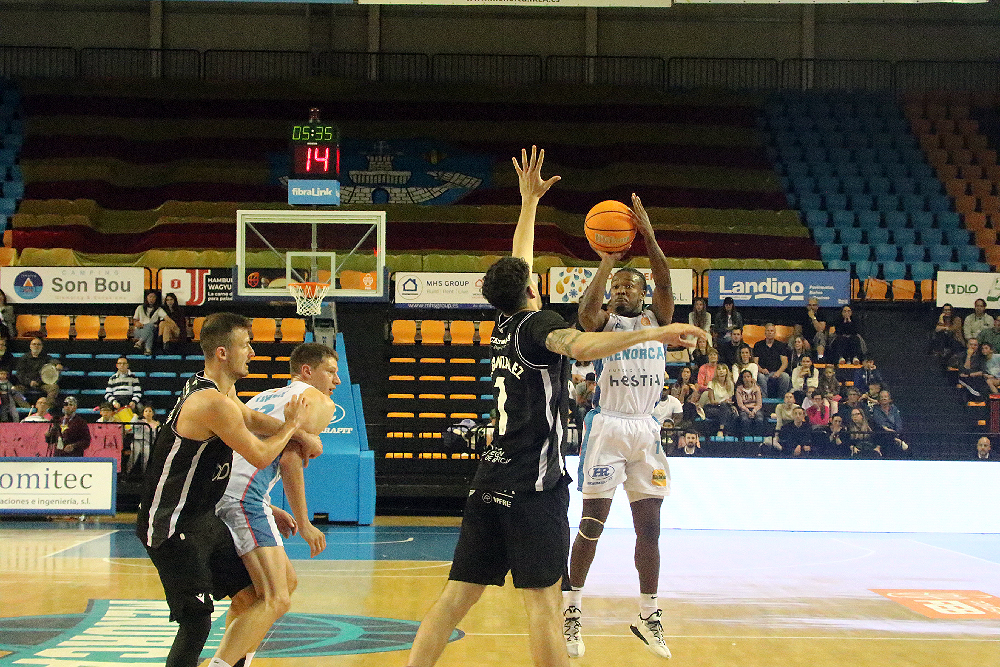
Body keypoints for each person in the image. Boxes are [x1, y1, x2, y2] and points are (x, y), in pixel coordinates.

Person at [404, 147, 707, 667]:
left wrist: (528, 203)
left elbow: (518, 261)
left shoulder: (502, 324)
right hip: (532, 485)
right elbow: (586, 346)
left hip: (488, 480)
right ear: (528, 288)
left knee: (457, 598)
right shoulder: (541, 327)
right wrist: (660, 331)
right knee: (543, 604)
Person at [136, 312, 322, 667]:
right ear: (222, 352)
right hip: (169, 524)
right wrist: (293, 426)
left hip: (203, 516)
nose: (252, 351)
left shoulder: (220, 389)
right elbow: (261, 452)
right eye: (245, 345)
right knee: (197, 621)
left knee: (254, 595)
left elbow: (251, 419)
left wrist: (296, 434)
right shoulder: (210, 404)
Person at [568, 177, 689, 661]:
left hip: (646, 433)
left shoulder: (656, 320)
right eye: (618, 287)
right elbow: (585, 312)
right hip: (608, 428)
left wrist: (650, 236)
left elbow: (663, 279)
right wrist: (605, 261)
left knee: (650, 528)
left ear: (641, 293)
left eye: (627, 285)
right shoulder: (606, 323)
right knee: (592, 523)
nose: (621, 291)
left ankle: (648, 613)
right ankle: (571, 609)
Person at [215, 342, 339, 667]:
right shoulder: (317, 401)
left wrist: (269, 506)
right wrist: (305, 521)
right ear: (307, 371)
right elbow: (288, 461)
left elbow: (246, 452)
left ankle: (238, 661)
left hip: (225, 490)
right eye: (331, 371)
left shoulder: (262, 396)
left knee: (263, 593)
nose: (336, 382)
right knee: (276, 597)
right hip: (244, 498)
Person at [14, 337, 61, 406]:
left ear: (42, 347)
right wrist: (29, 382)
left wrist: (57, 364)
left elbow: (53, 361)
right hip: (26, 384)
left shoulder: (46, 357)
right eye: (34, 344)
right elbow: (20, 374)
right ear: (30, 346)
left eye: (38, 344)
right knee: (14, 391)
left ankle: (46, 409)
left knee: (54, 387)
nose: (36, 346)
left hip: (42, 384)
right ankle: (27, 409)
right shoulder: (23, 358)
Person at [752, 323, 791, 399]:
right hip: (763, 373)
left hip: (777, 372)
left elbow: (785, 363)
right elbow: (755, 362)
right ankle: (764, 399)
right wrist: (761, 370)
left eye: (772, 331)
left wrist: (778, 372)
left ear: (775, 333)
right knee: (760, 377)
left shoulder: (781, 345)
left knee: (785, 377)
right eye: (768, 330)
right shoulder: (758, 345)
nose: (770, 332)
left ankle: (781, 399)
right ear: (765, 332)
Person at [698, 363, 735, 438]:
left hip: (725, 408)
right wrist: (722, 402)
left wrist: (727, 403)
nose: (721, 371)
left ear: (727, 371)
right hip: (712, 407)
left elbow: (730, 399)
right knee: (726, 412)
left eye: (723, 369)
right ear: (716, 372)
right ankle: (723, 431)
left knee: (726, 409)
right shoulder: (711, 384)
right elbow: (712, 401)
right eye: (719, 369)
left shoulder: (730, 384)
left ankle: (721, 430)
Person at [869, 389, 908, 455]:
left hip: (895, 433)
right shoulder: (876, 410)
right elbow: (879, 423)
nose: (884, 398)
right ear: (879, 400)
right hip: (882, 434)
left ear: (890, 399)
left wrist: (896, 433)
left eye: (885, 397)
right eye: (881, 397)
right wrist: (887, 430)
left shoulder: (894, 409)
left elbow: (898, 423)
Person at [126, 405, 160, 477]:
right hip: (137, 441)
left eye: (150, 411)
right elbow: (132, 426)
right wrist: (135, 416)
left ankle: (145, 475)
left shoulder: (156, 424)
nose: (148, 413)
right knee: (134, 454)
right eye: (146, 411)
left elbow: (156, 436)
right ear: (143, 413)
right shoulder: (140, 422)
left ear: (153, 413)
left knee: (146, 457)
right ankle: (127, 473)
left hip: (148, 443)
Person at [133, 290, 167, 355]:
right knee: (150, 329)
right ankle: (148, 349)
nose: (152, 299)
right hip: (140, 330)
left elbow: (165, 317)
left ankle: (140, 342)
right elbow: (135, 320)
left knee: (150, 327)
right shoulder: (140, 308)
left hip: (152, 329)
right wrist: (137, 323)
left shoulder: (158, 309)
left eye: (153, 297)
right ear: (147, 298)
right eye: (150, 297)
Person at [735, 369, 764, 438]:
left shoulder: (757, 388)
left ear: (751, 378)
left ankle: (758, 438)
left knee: (759, 419)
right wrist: (748, 412)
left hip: (755, 408)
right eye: (745, 377)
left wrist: (754, 411)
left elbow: (759, 403)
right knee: (744, 419)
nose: (747, 379)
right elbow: (740, 404)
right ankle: (746, 438)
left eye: (748, 376)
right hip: (744, 409)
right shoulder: (739, 389)